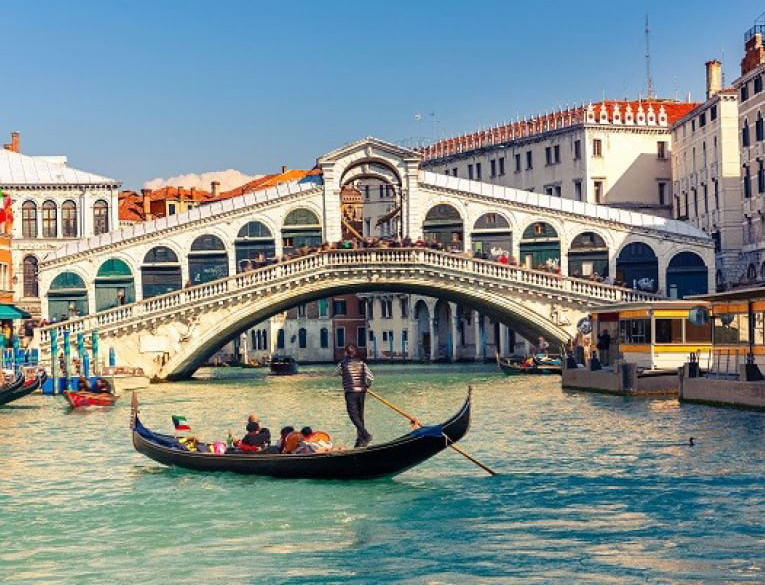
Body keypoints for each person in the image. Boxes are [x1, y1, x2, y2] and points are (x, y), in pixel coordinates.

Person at [334, 343, 374, 448]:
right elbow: (371, 378)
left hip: (350, 392)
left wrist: (342, 373)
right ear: (355, 352)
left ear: (346, 353)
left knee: (353, 416)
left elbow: (335, 373)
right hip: (362, 391)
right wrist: (367, 386)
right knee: (360, 416)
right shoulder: (362, 363)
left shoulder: (342, 364)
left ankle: (365, 435)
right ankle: (360, 441)